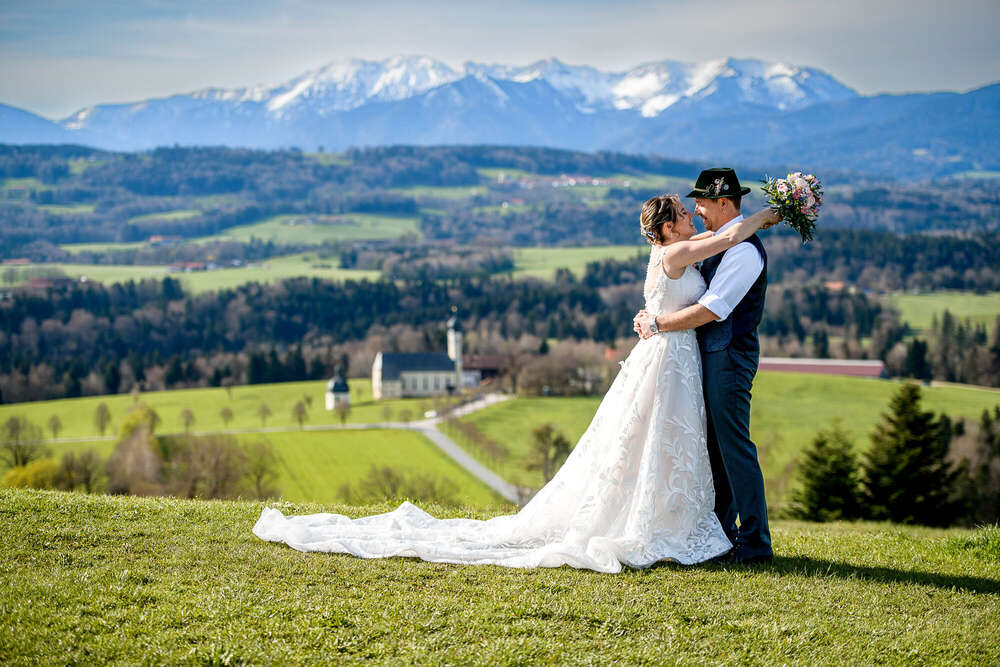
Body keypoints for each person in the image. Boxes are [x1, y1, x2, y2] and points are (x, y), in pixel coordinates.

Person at [253, 187, 778, 573]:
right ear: (667, 228)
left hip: (674, 359)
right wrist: (783, 208)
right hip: (668, 359)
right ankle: (659, 523)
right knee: (655, 440)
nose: (692, 218)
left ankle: (677, 519)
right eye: (685, 214)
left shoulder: (673, 248)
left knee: (663, 443)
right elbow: (729, 233)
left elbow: (722, 235)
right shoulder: (677, 252)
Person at [634, 167, 775, 565]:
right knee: (715, 447)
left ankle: (755, 542)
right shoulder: (714, 241)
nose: (696, 211)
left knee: (733, 446)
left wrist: (657, 322)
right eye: (689, 205)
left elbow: (713, 309)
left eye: (701, 202)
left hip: (728, 357)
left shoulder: (744, 251)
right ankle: (721, 531)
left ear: (723, 203)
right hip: (704, 357)